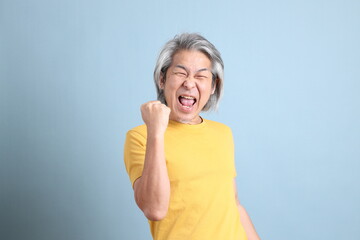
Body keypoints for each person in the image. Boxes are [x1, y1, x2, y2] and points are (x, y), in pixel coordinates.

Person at [124, 33, 260, 240]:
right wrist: (156, 132)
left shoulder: (223, 133)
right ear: (162, 79)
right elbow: (155, 209)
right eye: (180, 73)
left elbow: (234, 203)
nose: (189, 83)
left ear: (213, 86)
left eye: (201, 76)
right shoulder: (141, 137)